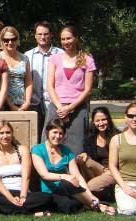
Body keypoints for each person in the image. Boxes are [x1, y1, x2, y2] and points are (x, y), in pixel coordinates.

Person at [31, 119, 116, 215]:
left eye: (61, 133)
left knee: (68, 197)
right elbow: (44, 175)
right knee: (67, 198)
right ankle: (95, 205)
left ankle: (92, 202)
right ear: (47, 132)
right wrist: (65, 176)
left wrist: (89, 194)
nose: (57, 136)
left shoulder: (66, 151)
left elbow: (78, 176)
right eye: (54, 132)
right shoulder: (37, 149)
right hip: (50, 190)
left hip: (67, 189)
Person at [43, 26, 96, 155]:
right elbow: (50, 85)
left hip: (78, 109)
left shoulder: (87, 59)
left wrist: (70, 108)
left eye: (69, 38)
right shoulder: (55, 59)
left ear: (76, 38)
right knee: (50, 144)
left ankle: (74, 173)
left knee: (76, 147)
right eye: (63, 39)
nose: (66, 42)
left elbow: (88, 90)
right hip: (56, 107)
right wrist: (60, 107)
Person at [0, 120, 52, 215]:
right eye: (1, 133)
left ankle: (1, 209)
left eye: (8, 132)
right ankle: (33, 213)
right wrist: (11, 199)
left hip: (21, 191)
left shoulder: (23, 150)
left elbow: (26, 177)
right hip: (2, 194)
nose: (5, 136)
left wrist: (23, 197)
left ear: (12, 134)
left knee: (46, 197)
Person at [24, 21, 64, 143]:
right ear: (35, 36)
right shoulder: (27, 56)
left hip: (53, 103)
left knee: (54, 138)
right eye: (39, 34)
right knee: (34, 139)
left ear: (51, 35)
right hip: (34, 104)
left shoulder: (61, 54)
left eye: (46, 34)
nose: (43, 37)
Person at [76, 107, 120, 201]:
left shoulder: (117, 136)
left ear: (108, 120)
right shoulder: (90, 137)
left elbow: (123, 159)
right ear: (93, 122)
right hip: (98, 170)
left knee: (90, 187)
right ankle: (98, 190)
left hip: (113, 172)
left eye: (103, 119)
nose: (101, 123)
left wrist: (112, 169)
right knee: (82, 158)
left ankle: (103, 191)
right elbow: (90, 161)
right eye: (97, 120)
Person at [0, 26, 33, 111]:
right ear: (2, 41)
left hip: (22, 104)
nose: (10, 42)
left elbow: (28, 82)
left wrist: (27, 102)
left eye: (13, 39)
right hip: (3, 104)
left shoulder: (25, 58)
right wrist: (11, 105)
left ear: (17, 40)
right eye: (6, 40)